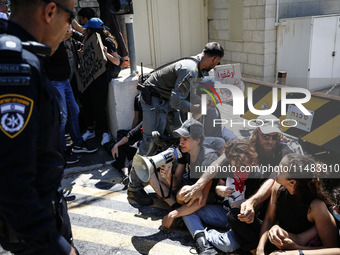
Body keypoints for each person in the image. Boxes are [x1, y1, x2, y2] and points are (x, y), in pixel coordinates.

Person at [0, 0, 77, 254]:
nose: (69, 29)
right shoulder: (18, 66)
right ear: (50, 12)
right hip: (34, 232)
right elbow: (11, 181)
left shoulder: (21, 53)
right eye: (69, 18)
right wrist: (58, 249)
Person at [127, 42, 224, 206]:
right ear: (215, 59)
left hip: (166, 101)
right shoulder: (190, 70)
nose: (215, 67)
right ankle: (134, 188)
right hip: (155, 99)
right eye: (217, 63)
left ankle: (171, 180)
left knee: (177, 140)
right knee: (151, 141)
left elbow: (183, 98)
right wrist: (198, 108)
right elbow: (176, 100)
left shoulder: (197, 68)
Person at [181, 138, 260, 255]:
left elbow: (261, 204)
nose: (239, 171)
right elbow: (220, 185)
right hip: (224, 212)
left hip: (242, 221)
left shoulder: (258, 174)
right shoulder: (227, 164)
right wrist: (219, 190)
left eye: (244, 167)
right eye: (236, 167)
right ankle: (203, 243)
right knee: (187, 210)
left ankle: (208, 233)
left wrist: (247, 203)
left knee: (229, 245)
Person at [256, 154, 338, 255]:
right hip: (283, 242)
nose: (276, 169)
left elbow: (331, 248)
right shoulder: (278, 188)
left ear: (292, 182)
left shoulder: (316, 206)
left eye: (281, 169)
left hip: (305, 249)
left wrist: (296, 249)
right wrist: (260, 249)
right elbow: (268, 219)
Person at [147, 119, 219, 233]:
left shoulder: (208, 158)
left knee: (182, 193)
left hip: (206, 195)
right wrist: (168, 176)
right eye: (180, 138)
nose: (180, 143)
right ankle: (175, 205)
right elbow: (176, 182)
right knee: (152, 175)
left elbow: (203, 200)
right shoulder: (185, 152)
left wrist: (172, 215)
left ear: (197, 140)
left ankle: (179, 210)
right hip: (189, 186)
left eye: (185, 139)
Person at [47, 39, 98, 164]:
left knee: (73, 111)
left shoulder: (58, 36)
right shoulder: (49, 36)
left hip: (64, 80)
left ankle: (78, 144)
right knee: (62, 117)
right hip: (55, 81)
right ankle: (61, 152)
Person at [81, 18, 121, 145]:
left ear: (92, 30)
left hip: (102, 79)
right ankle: (90, 130)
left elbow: (117, 61)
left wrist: (106, 53)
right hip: (92, 79)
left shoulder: (107, 41)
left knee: (99, 106)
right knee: (88, 104)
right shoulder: (90, 41)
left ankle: (105, 133)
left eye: (88, 29)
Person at [97, 0, 130, 68]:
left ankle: (125, 59)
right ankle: (125, 58)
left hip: (107, 3)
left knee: (112, 28)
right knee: (111, 28)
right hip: (106, 3)